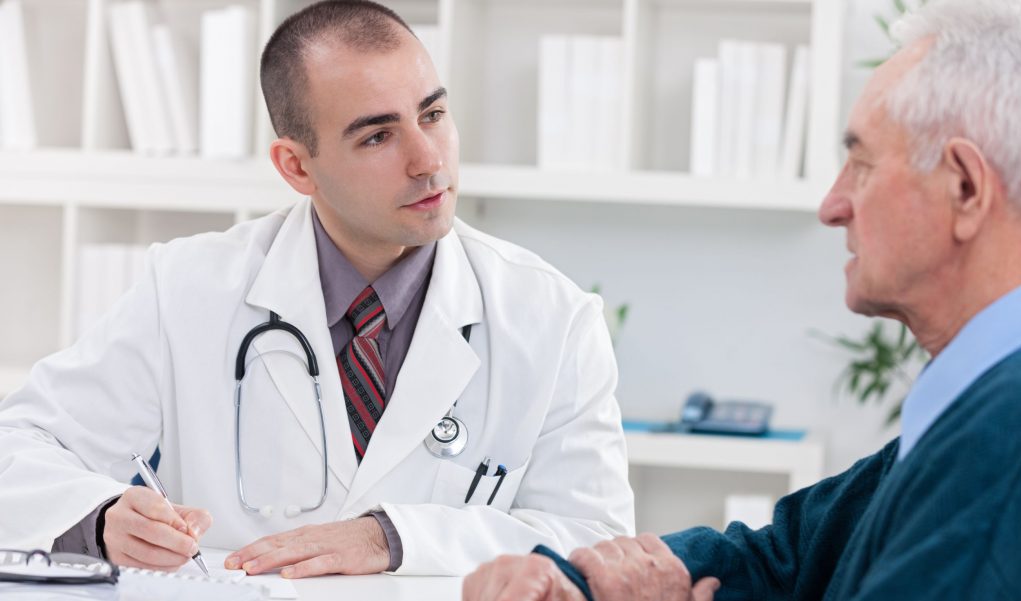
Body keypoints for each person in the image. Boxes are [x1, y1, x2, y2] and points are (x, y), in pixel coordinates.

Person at [0, 0, 634, 578]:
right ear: (296, 166)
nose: (428, 160)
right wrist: (104, 514)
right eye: (378, 136)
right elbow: (21, 449)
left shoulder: (553, 318)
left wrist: (396, 537)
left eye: (433, 114)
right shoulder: (188, 288)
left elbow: (599, 544)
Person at [463, 0, 1021, 598]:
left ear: (964, 187)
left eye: (860, 163)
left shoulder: (1003, 442)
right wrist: (579, 583)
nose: (832, 206)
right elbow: (785, 555)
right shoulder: (969, 409)